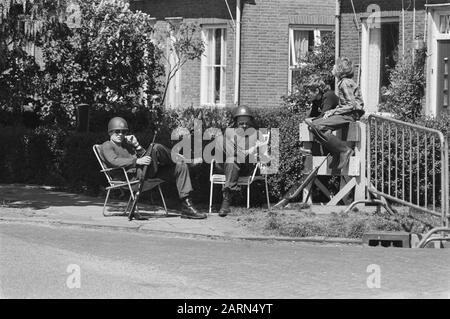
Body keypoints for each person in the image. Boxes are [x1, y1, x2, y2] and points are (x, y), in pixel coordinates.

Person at [101, 117, 206, 219]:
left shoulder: (127, 145)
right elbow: (113, 161)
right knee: (155, 147)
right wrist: (136, 161)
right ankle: (186, 160)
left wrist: (136, 145)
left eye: (123, 132)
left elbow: (144, 157)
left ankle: (187, 206)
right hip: (131, 177)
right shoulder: (107, 145)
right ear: (110, 132)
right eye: (117, 131)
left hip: (145, 172)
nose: (120, 134)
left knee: (180, 166)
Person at [305, 57, 364, 170]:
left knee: (317, 126)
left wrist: (334, 111)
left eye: (335, 65)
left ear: (340, 70)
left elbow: (351, 105)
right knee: (314, 126)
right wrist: (333, 111)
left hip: (350, 115)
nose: (333, 67)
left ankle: (344, 150)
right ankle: (337, 153)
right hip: (346, 113)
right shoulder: (343, 83)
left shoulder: (345, 83)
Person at [213, 105, 263, 217]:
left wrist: (255, 149)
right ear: (236, 122)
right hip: (226, 165)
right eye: (241, 123)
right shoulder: (229, 132)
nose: (244, 126)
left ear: (251, 122)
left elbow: (263, 155)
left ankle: (225, 204)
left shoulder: (256, 134)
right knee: (221, 142)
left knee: (232, 159)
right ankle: (239, 154)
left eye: (247, 123)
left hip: (245, 166)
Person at [300, 75, 339, 154]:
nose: (307, 95)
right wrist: (308, 120)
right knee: (309, 123)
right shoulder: (316, 100)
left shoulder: (329, 96)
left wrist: (310, 121)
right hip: (329, 128)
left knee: (315, 124)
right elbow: (312, 116)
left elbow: (323, 116)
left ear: (317, 91)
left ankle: (312, 150)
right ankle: (309, 148)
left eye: (308, 92)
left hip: (340, 130)